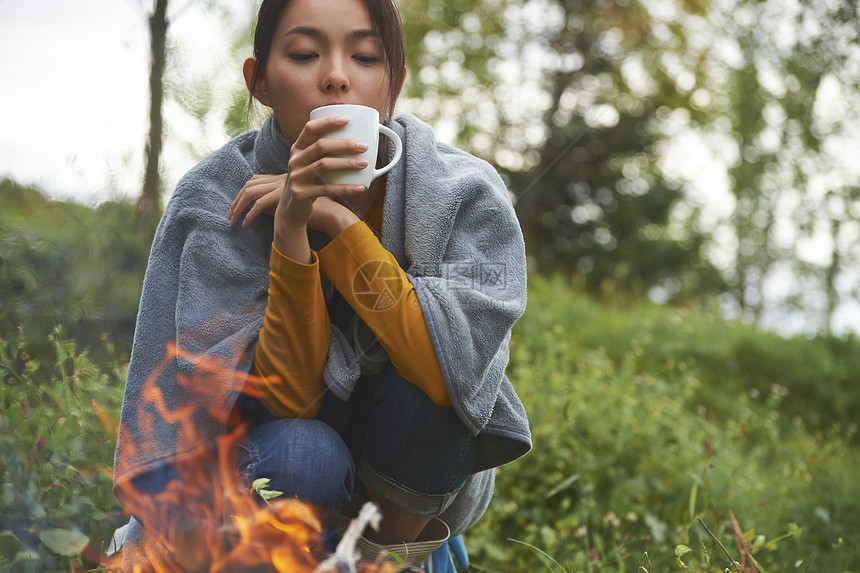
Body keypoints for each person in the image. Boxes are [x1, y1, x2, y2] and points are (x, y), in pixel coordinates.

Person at [112, 0, 531, 569]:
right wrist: (289, 233)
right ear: (258, 81)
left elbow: (448, 372)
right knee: (304, 454)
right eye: (305, 54)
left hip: (403, 489)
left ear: (394, 83)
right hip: (264, 470)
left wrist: (339, 226)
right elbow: (284, 401)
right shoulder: (214, 198)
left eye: (365, 56)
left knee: (438, 389)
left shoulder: (462, 192)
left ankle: (381, 557)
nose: (336, 75)